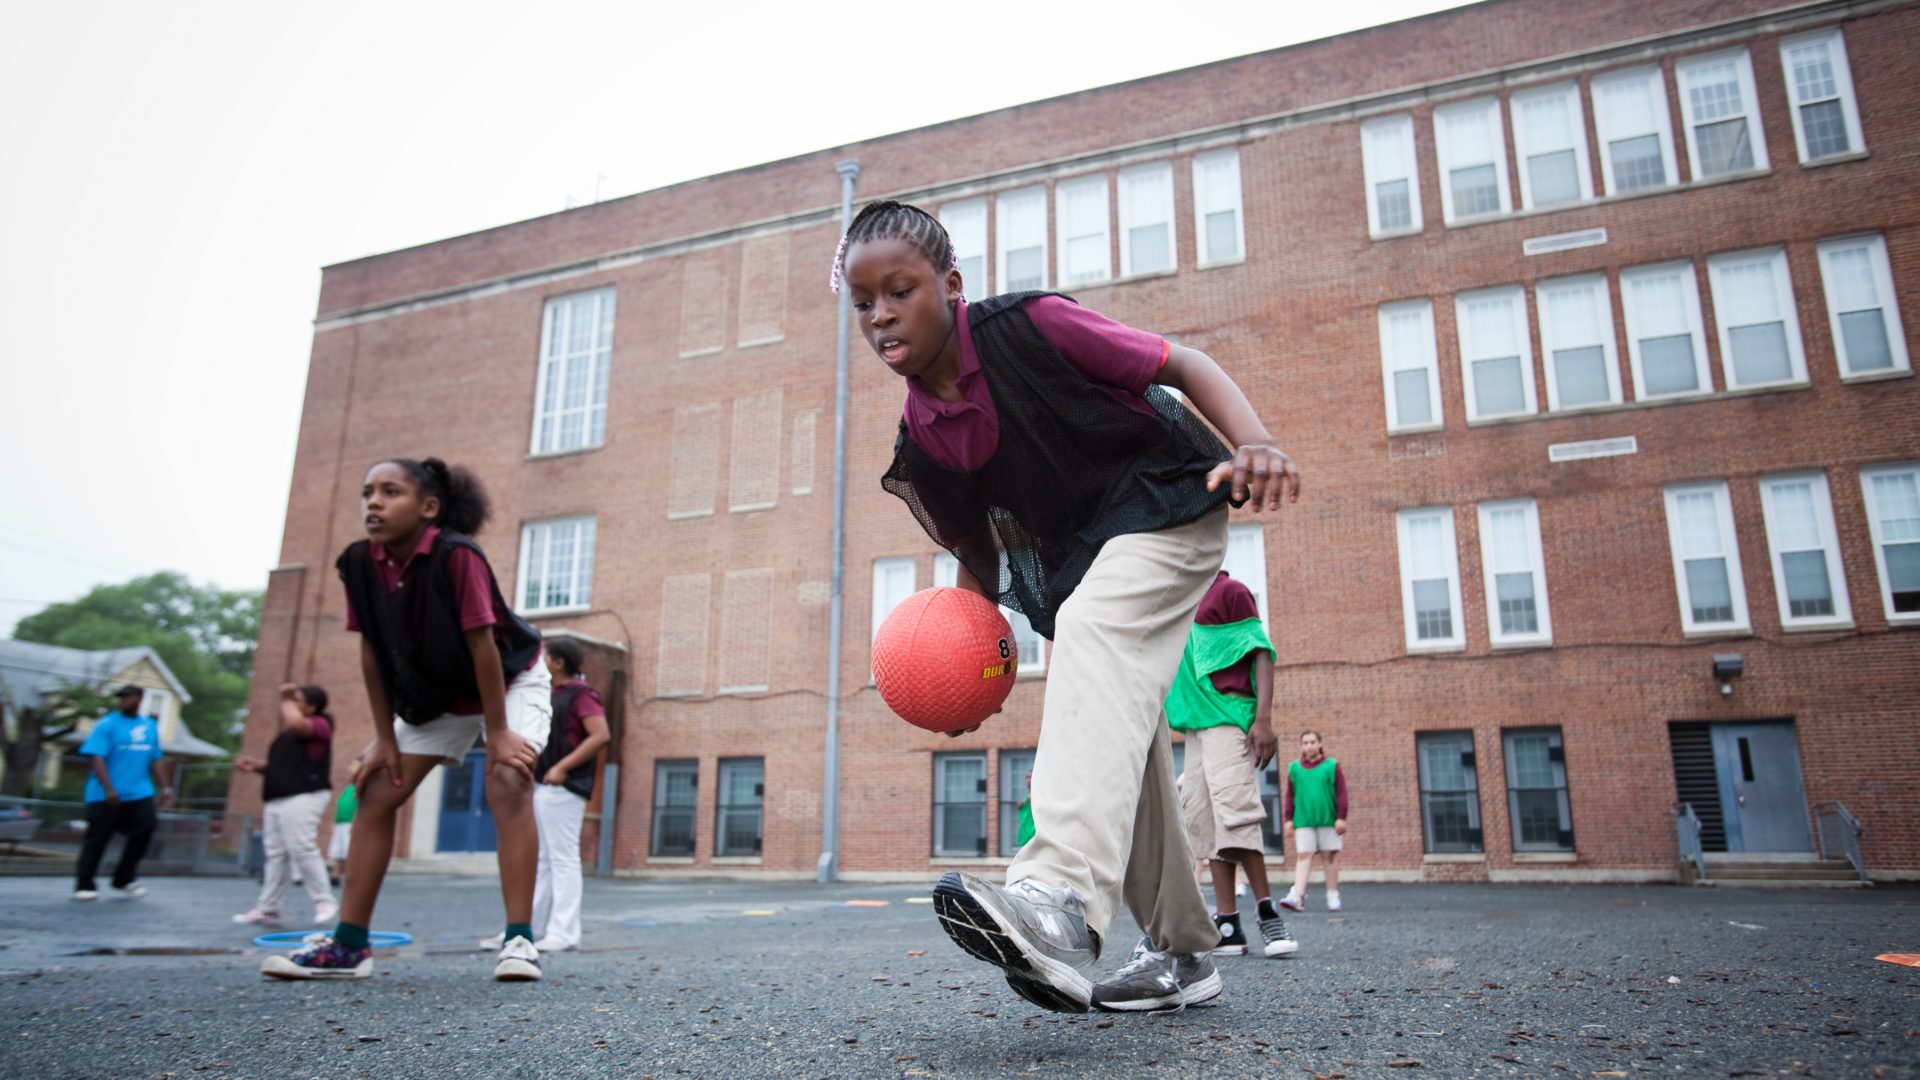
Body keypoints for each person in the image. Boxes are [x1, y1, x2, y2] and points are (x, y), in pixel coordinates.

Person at [834, 201, 1300, 1013]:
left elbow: (1182, 364)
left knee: (1090, 633)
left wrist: (1253, 439)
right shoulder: (924, 438)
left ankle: (1057, 897)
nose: (880, 316)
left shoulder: (1031, 327)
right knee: (1126, 743)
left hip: (1165, 507)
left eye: (899, 292)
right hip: (1087, 564)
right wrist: (964, 677)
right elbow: (978, 561)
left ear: (951, 285)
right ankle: (1184, 953)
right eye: (863, 302)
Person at [261, 457, 552, 982]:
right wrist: (382, 738)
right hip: (439, 696)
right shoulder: (357, 562)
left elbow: (482, 645)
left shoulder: (456, 555)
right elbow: (371, 652)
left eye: (390, 491)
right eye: (368, 492)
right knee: (376, 788)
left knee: (508, 779)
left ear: (429, 507)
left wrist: (499, 733)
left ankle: (519, 941)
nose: (374, 502)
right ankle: (349, 946)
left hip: (508, 678)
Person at [1168, 570, 1296, 959]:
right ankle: (1228, 924)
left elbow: (1261, 652)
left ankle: (1268, 914)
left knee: (1237, 815)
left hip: (1229, 718)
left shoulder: (1230, 591)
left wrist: (1263, 720)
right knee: (1205, 822)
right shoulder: (1178, 599)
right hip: (1196, 727)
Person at [488, 637, 608, 953]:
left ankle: (564, 932)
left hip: (565, 787)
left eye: (544, 656)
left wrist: (562, 768)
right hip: (542, 785)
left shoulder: (581, 694)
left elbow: (600, 735)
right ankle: (524, 929)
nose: (538, 661)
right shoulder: (544, 694)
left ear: (558, 662)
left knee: (563, 858)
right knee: (539, 858)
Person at [232, 684, 337, 927]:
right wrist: (257, 766)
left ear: (312, 706)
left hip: (305, 794)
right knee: (276, 854)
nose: (291, 705)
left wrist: (286, 699)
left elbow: (298, 724)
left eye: (298, 700)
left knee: (301, 846)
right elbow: (284, 766)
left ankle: (324, 900)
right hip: (279, 797)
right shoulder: (287, 735)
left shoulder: (321, 723)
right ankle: (268, 908)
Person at [72, 686, 172, 901]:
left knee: (146, 829)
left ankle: (124, 878)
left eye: (128, 697)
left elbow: (155, 758)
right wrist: (109, 788)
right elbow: (96, 757)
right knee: (98, 838)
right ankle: (85, 883)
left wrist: (166, 788)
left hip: (139, 791)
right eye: (121, 698)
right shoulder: (107, 724)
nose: (123, 701)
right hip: (105, 794)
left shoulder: (149, 725)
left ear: (140, 698)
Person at [1279, 730, 1348, 912]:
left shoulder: (1332, 766)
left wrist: (1341, 817)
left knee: (1329, 856)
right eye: (1305, 743)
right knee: (1303, 855)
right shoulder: (1294, 768)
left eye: (1312, 742)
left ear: (1319, 744)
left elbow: (1341, 793)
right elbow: (1290, 795)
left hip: (1328, 819)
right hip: (1303, 820)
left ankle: (1332, 894)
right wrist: (1288, 819)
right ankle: (1298, 896)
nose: (1309, 746)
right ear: (1301, 746)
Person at [327, 770, 357, 888]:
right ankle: (335, 874)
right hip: (341, 823)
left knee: (348, 851)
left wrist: (356, 822)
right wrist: (334, 822)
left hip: (350, 823)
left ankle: (352, 878)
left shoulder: (360, 787)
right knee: (338, 851)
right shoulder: (348, 788)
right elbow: (341, 806)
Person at [1014, 772, 1034, 850]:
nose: (1028, 780)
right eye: (1027, 778)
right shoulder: (1027, 796)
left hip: (1033, 832)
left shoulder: (1039, 795)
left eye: (1030, 777)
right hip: (1025, 832)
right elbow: (1019, 806)